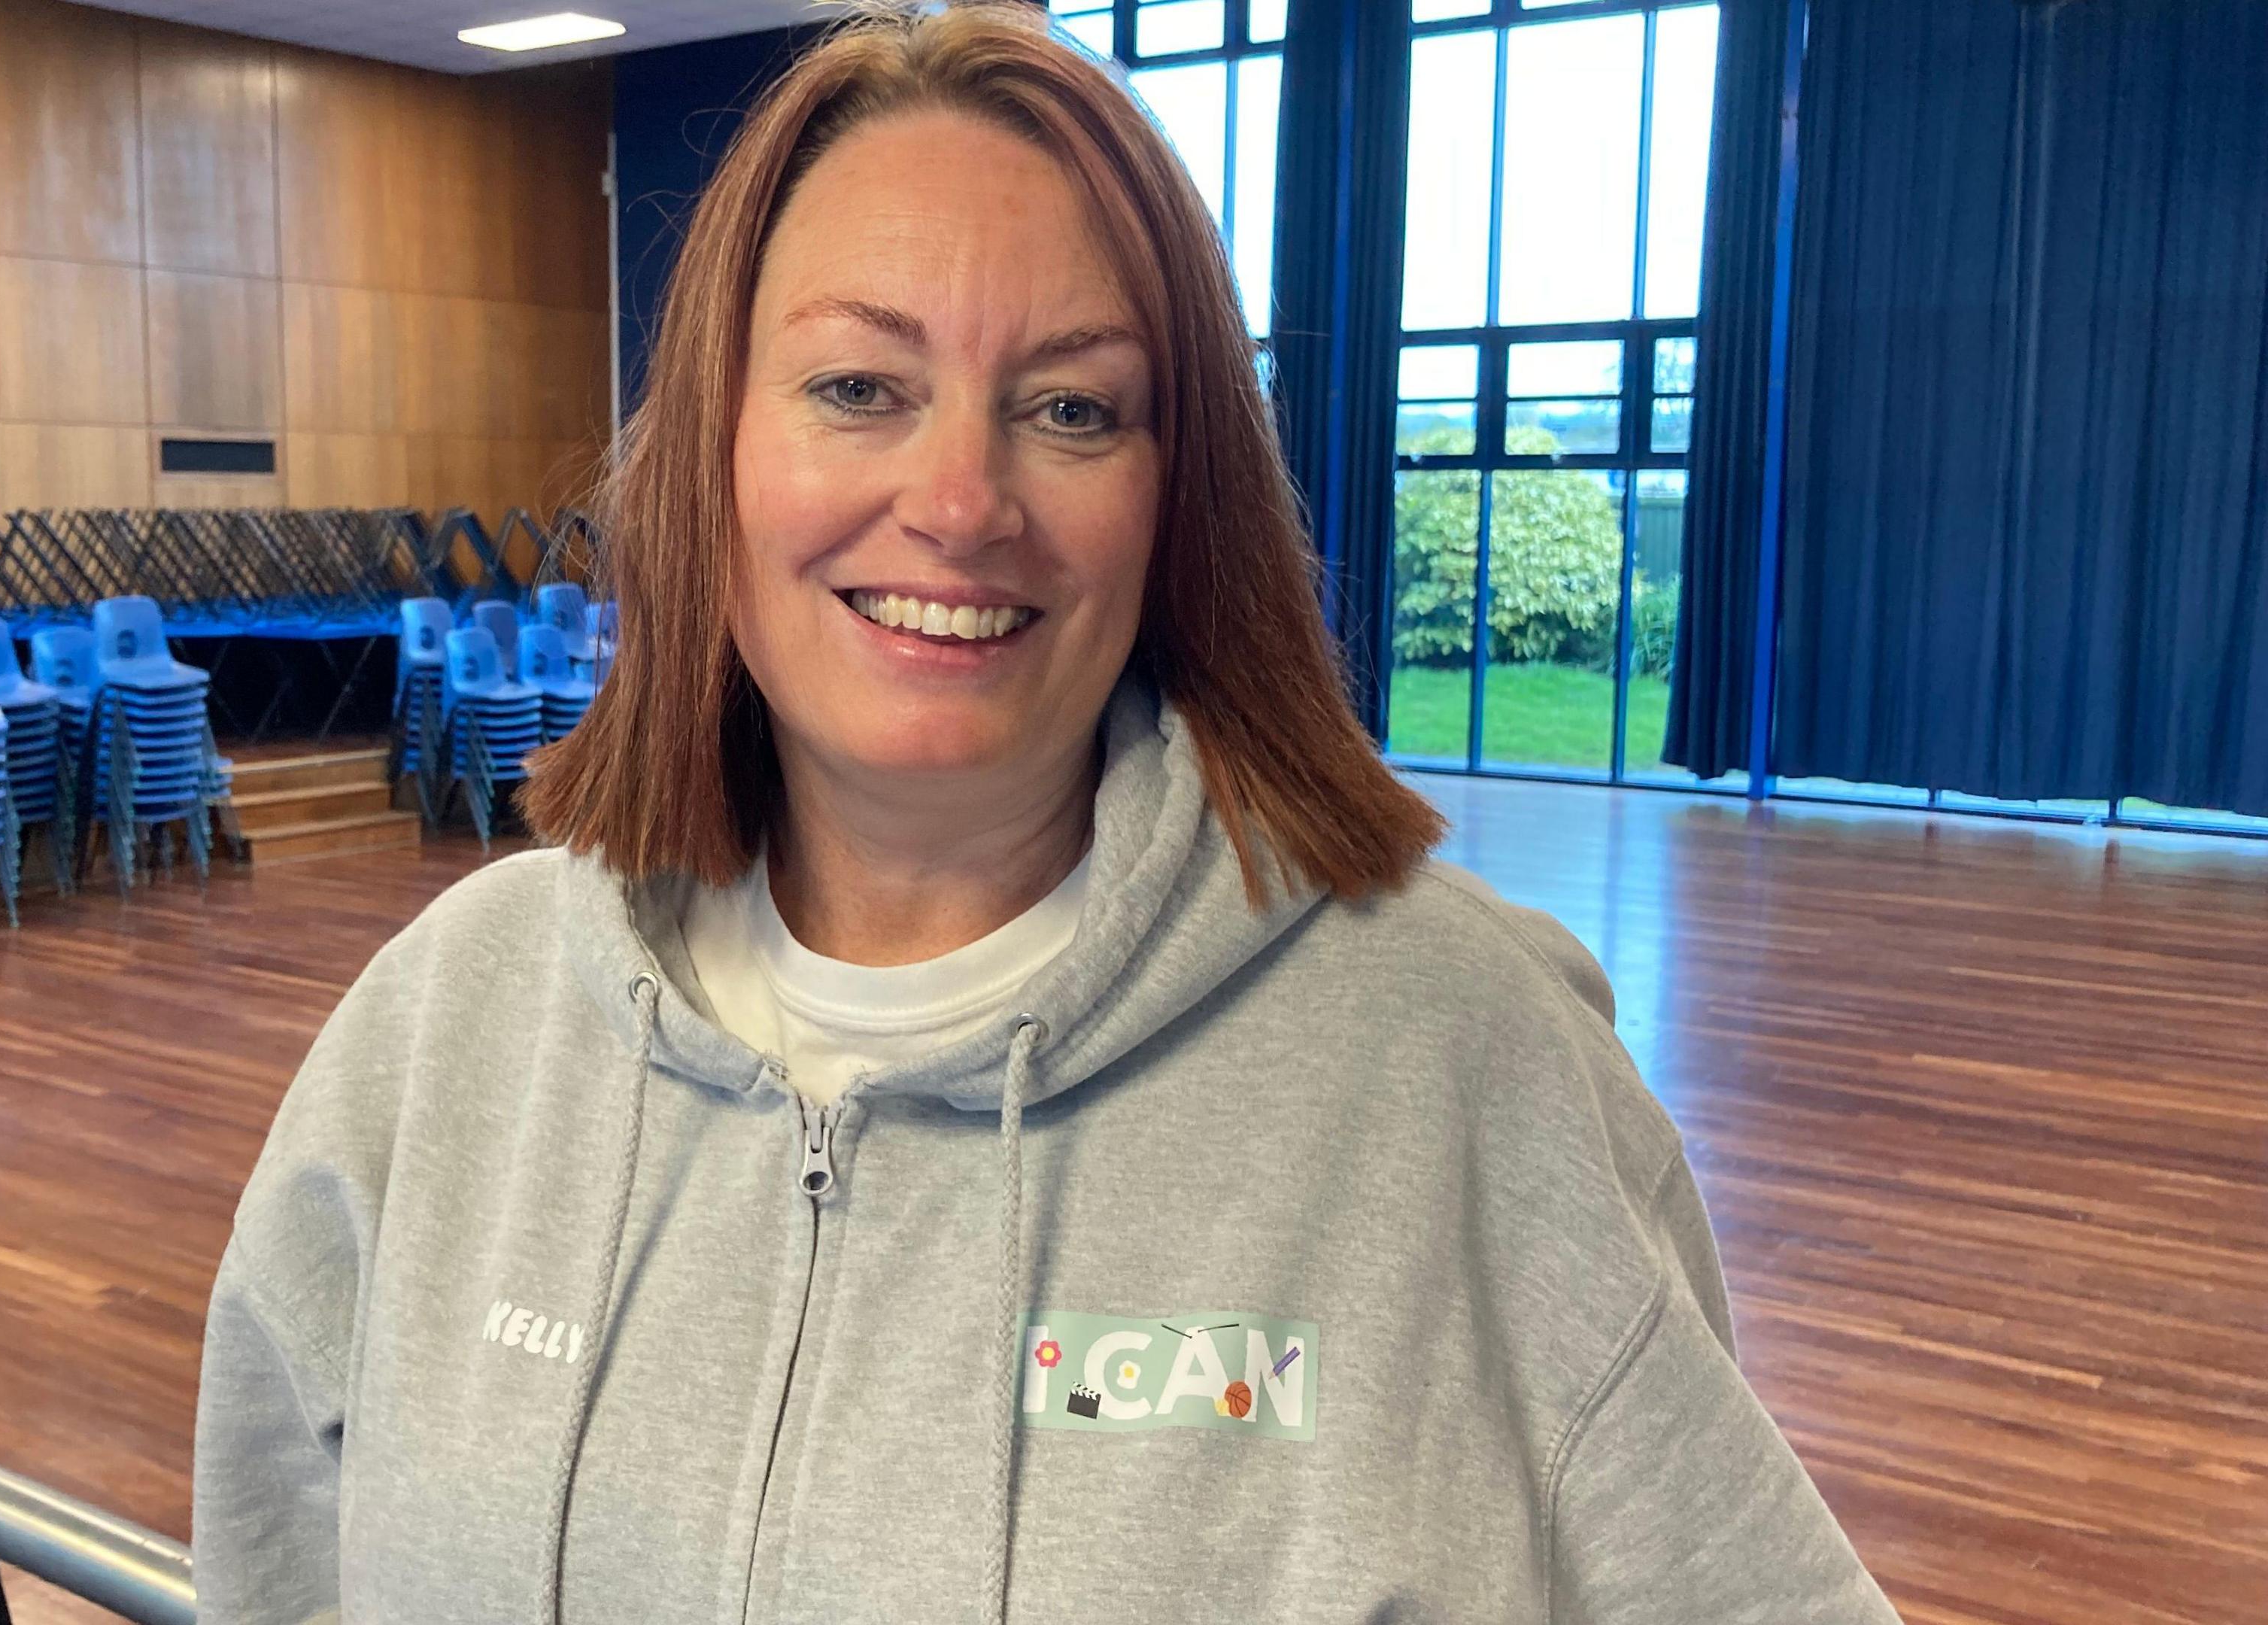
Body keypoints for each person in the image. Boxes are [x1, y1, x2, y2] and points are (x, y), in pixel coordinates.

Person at [192, 5, 1899, 1621]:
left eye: (1072, 408)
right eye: (860, 386)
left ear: (1180, 498)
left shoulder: (1468, 1072)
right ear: (715, 444)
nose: (957, 501)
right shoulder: (440, 1036)